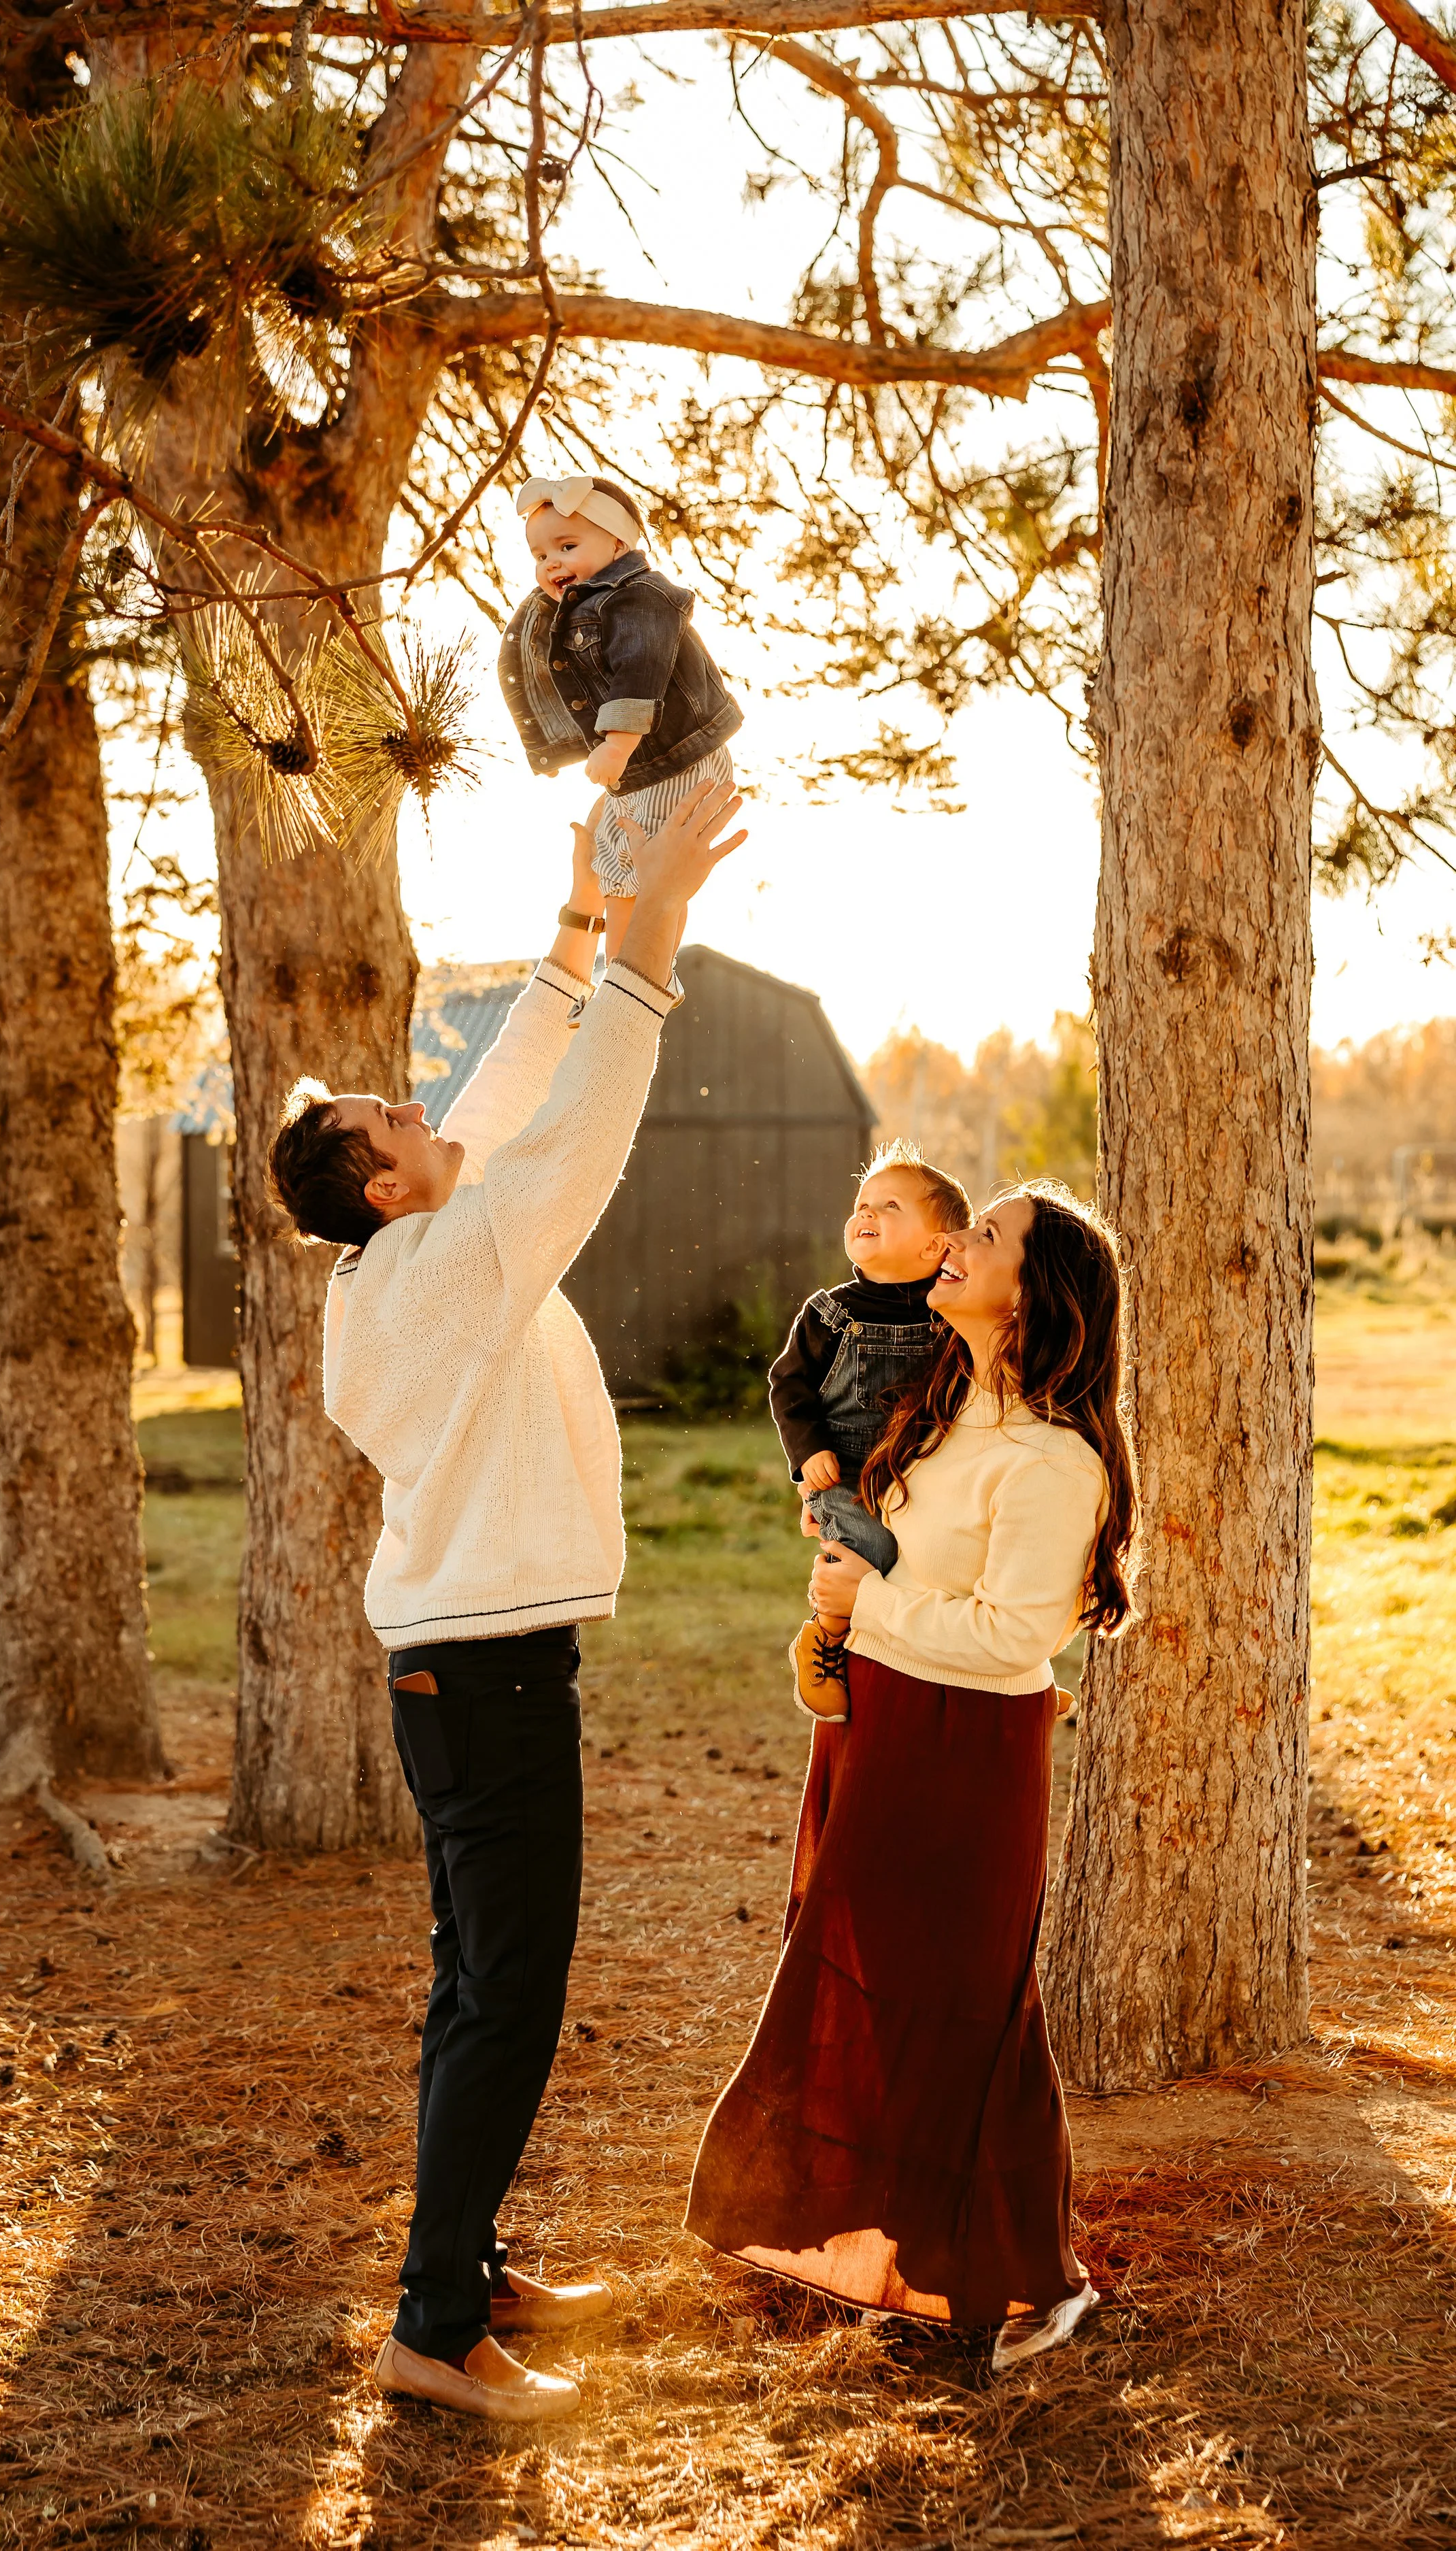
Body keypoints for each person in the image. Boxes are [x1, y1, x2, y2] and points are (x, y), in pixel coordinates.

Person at [267, 780, 745, 2425]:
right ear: (391, 1189)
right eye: (397, 1125)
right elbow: (580, 1127)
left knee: (477, 1984)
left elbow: (501, 1093)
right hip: (485, 1678)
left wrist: (574, 924)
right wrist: (653, 934)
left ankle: (455, 2270)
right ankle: (432, 2330)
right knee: (506, 1997)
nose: (422, 1112)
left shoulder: (396, 1257)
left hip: (461, 1673)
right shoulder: (459, 1258)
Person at [685, 1182, 1136, 2373]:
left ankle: (1031, 2274)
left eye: (983, 1236)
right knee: (866, 1978)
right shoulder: (940, 1411)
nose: (955, 1242)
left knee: (968, 2008)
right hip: (876, 1721)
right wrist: (845, 1620)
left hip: (965, 1750)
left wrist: (866, 1600)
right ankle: (900, 2242)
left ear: (1030, 1294)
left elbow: (1010, 1637)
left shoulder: (1052, 1461)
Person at [769, 1141, 970, 1718]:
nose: (866, 1214)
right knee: (871, 1551)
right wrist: (807, 1454)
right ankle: (825, 1635)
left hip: (928, 1472)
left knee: (946, 1565)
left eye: (889, 1206)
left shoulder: (951, 1312)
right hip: (850, 1470)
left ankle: (985, 1676)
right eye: (862, 1204)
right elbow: (789, 1386)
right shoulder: (831, 1313)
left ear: (936, 1246)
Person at [498, 475, 742, 941]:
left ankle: (646, 974)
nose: (552, 563)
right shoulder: (568, 610)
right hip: (635, 767)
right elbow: (551, 677)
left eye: (567, 546)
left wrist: (616, 744)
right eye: (540, 555)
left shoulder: (639, 596)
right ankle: (620, 977)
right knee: (613, 866)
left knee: (654, 871)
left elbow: (639, 670)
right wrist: (558, 746)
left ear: (617, 541)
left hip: (678, 759)